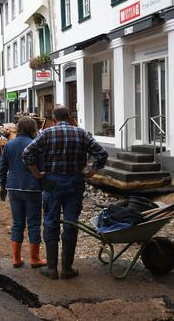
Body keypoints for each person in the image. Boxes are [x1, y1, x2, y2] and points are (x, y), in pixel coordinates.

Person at [22, 105, 108, 279]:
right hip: (75, 183)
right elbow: (102, 153)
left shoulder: (46, 134)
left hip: (52, 183)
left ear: (54, 119)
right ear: (69, 117)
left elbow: (26, 154)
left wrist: (37, 173)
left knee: (51, 221)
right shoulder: (82, 134)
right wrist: (91, 172)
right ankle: (67, 268)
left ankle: (52, 269)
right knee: (71, 222)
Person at [0, 117, 47, 269]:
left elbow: (3, 168)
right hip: (32, 188)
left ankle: (16, 258)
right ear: (32, 129)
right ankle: (34, 258)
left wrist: (2, 187)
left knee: (17, 223)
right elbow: (41, 166)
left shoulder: (9, 145)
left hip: (13, 187)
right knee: (33, 223)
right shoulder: (36, 145)